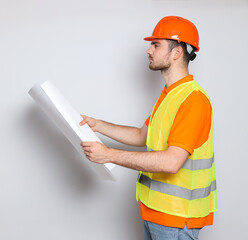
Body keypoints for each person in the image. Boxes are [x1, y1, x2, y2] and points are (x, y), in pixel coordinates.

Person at [80, 16, 217, 240]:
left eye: (156, 45)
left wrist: (108, 155)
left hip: (176, 220)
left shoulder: (193, 100)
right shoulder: (170, 95)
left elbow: (172, 162)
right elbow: (141, 135)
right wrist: (98, 125)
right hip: (156, 214)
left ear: (177, 53)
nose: (148, 51)